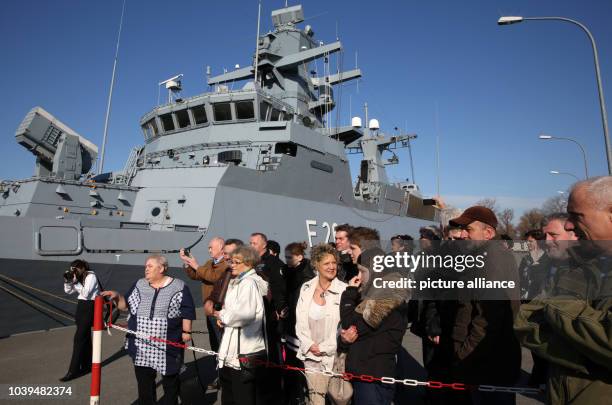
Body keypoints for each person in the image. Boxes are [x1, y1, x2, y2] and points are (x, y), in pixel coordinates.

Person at [515, 177, 612, 404]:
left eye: (576, 216)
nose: (569, 225)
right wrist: (593, 353)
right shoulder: (581, 265)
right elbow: (525, 321)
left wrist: (554, 307)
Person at [448, 206, 521, 405]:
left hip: (487, 362)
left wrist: (465, 355)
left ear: (488, 233)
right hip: (482, 361)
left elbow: (488, 319)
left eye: (468, 230)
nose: (462, 235)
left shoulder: (492, 259)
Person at [102, 255, 196, 405]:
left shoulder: (179, 286)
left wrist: (186, 331)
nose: (146, 269)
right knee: (144, 384)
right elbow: (126, 305)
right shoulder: (139, 284)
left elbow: (187, 310)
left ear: (162, 268)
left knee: (170, 383)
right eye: (146, 266)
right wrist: (116, 296)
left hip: (168, 344)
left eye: (150, 266)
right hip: (141, 345)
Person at [341, 226, 408, 405]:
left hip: (374, 373)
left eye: (353, 248)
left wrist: (349, 293)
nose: (349, 252)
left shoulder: (388, 291)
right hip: (366, 370)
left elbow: (352, 326)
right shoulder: (374, 290)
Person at [213, 246, 269, 405]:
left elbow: (244, 315)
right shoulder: (240, 281)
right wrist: (225, 318)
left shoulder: (249, 283)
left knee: (241, 397)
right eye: (231, 261)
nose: (232, 265)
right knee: (231, 396)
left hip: (242, 352)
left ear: (249, 263)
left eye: (237, 262)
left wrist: (223, 315)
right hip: (232, 351)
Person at [295, 244, 348, 405]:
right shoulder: (306, 288)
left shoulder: (344, 290)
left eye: (334, 263)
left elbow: (344, 327)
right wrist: (310, 344)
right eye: (327, 263)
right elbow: (300, 323)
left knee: (338, 400)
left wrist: (324, 348)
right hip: (311, 356)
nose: (332, 267)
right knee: (315, 400)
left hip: (335, 358)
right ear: (316, 265)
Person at [179, 237, 227, 354]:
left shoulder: (225, 264)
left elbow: (214, 277)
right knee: (214, 342)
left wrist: (196, 265)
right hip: (209, 310)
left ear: (221, 248)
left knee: (222, 342)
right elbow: (197, 275)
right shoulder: (210, 263)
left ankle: (224, 368)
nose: (209, 250)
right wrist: (188, 263)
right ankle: (217, 366)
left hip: (219, 311)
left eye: (211, 248)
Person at [60, 259, 100, 382]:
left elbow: (86, 293)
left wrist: (76, 282)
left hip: (89, 307)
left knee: (78, 339)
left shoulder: (91, 276)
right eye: (72, 269)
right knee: (86, 338)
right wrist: (68, 281)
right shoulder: (79, 277)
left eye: (75, 269)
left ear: (83, 268)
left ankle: (73, 371)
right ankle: (88, 366)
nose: (74, 271)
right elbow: (68, 291)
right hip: (81, 307)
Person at [518, 230, 549, 300]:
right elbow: (519, 277)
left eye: (530, 241)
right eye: (527, 241)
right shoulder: (525, 259)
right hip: (524, 298)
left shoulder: (547, 260)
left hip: (540, 300)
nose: (527, 243)